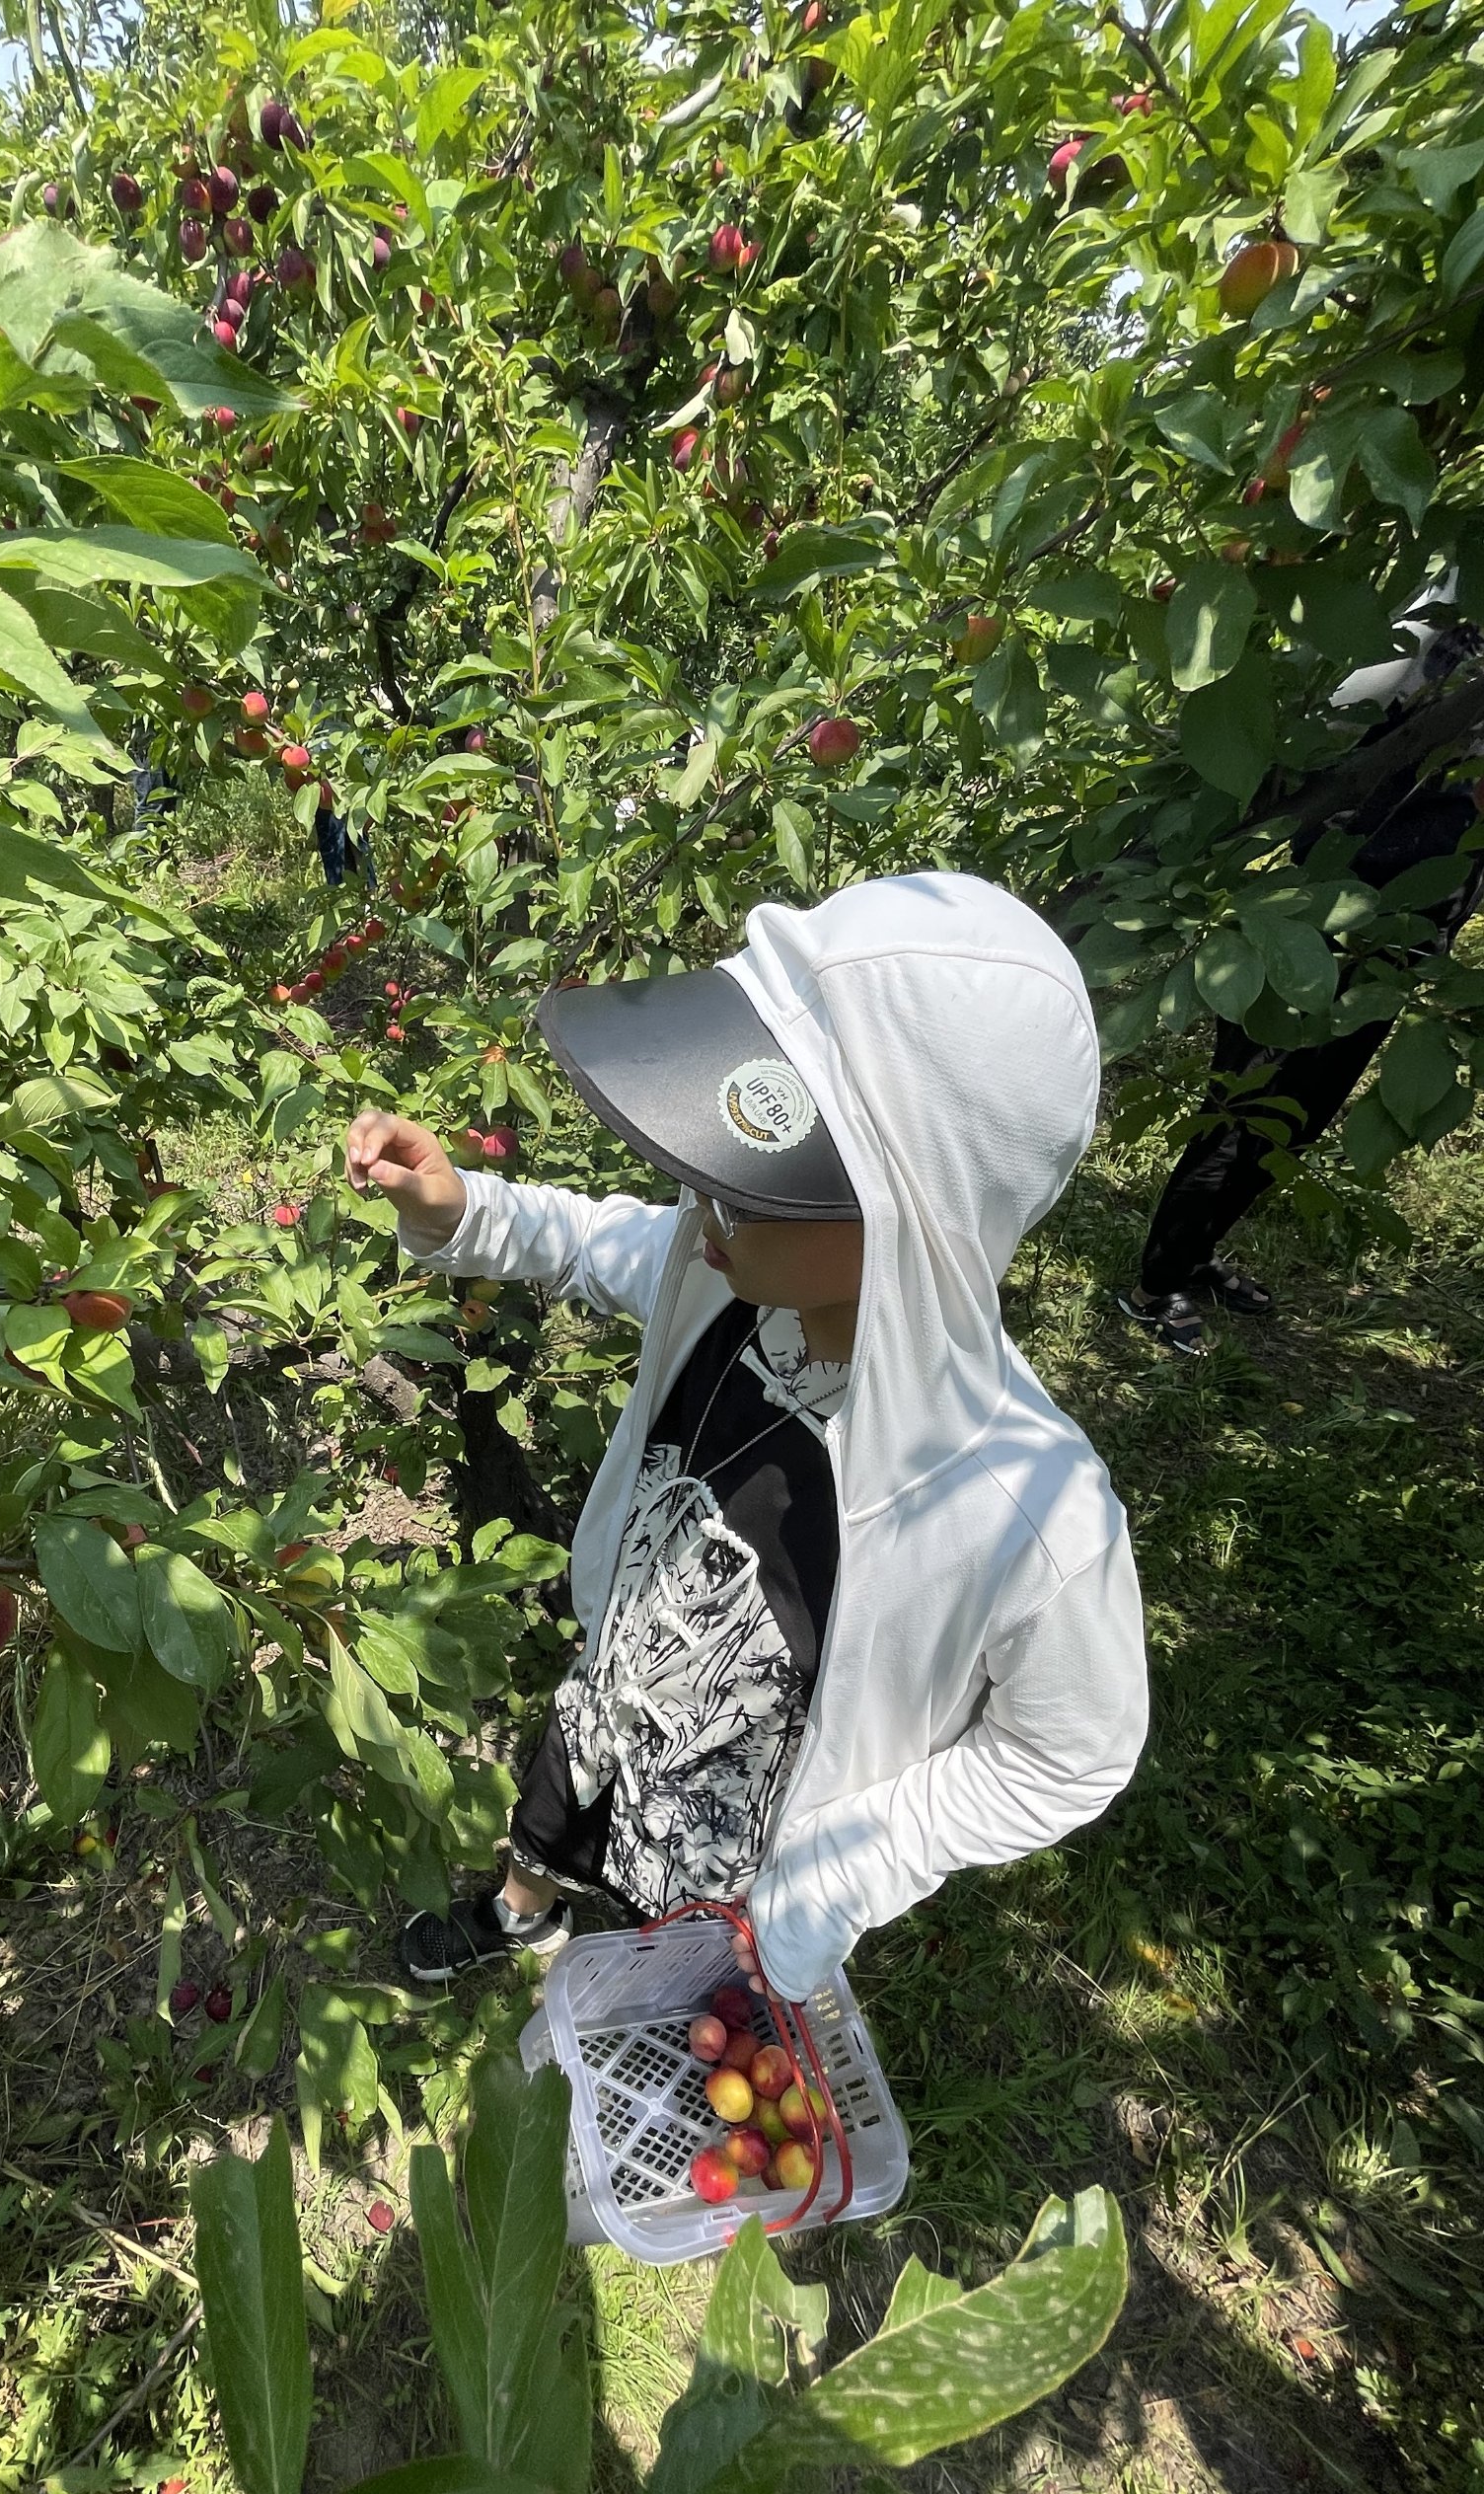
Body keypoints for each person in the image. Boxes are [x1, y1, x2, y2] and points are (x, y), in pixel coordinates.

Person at [344, 870, 1151, 2000]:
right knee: (559, 1799)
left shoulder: (1019, 1505)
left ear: (912, 1212)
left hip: (738, 1840)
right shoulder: (726, 1284)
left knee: (674, 1984)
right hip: (624, 1675)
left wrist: (844, 1871)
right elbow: (588, 1239)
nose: (698, 1202)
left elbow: (1069, 1753)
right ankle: (518, 1910)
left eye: (753, 1186)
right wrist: (461, 1211)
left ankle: (638, 1978)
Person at [1120, 598, 1483, 1358]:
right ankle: (1155, 1285)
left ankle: (1194, 1254)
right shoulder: (1441, 643)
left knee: (1298, 1118)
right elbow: (1327, 754)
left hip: (1404, 950)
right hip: (1317, 926)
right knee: (1244, 1103)